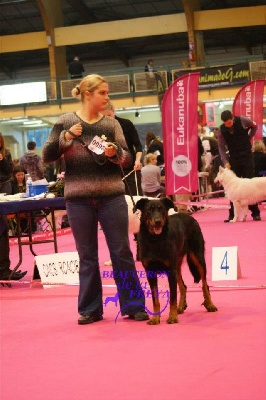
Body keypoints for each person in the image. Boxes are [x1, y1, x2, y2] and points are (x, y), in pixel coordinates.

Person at [42, 74, 149, 325]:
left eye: (107, 92)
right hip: (78, 199)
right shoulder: (65, 121)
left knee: (121, 251)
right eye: (102, 92)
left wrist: (115, 153)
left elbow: (127, 159)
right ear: (87, 94)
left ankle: (133, 305)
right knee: (86, 255)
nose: (107, 97)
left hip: (112, 196)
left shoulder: (111, 124)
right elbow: (47, 155)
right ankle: (90, 308)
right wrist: (66, 138)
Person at [217, 110, 261, 222]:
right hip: (234, 158)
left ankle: (255, 213)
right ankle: (232, 215)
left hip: (247, 156)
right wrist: (225, 161)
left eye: (230, 123)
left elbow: (254, 126)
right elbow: (221, 147)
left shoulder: (243, 120)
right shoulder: (221, 130)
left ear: (233, 118)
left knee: (251, 185)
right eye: (226, 124)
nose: (228, 125)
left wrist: (249, 137)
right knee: (232, 189)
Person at [102, 101, 143, 196]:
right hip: (111, 172)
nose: (107, 119)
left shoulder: (126, 124)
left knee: (134, 197)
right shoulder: (101, 128)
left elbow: (138, 146)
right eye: (104, 117)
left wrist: (138, 160)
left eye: (109, 115)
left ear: (114, 111)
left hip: (130, 169)